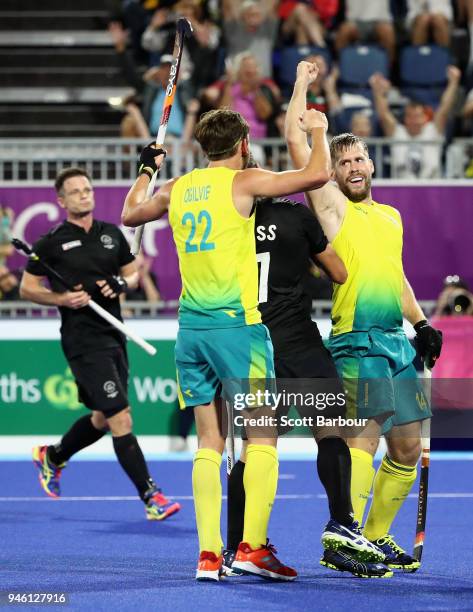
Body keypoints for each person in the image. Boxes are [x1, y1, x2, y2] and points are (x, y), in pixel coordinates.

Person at [122, 96, 332, 581]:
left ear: (201, 148)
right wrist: (318, 130)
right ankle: (253, 547)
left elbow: (131, 214)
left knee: (209, 441)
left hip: (190, 331)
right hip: (237, 328)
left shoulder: (179, 187)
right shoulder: (244, 181)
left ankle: (209, 555)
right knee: (263, 435)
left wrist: (146, 170)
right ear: (243, 143)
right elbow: (316, 176)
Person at [285, 61, 443, 572]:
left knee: (408, 444)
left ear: (371, 165)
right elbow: (294, 145)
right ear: (333, 171)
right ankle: (341, 537)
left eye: (359, 159)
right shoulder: (332, 206)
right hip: (356, 340)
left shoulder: (391, 217)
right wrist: (302, 90)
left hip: (395, 341)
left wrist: (420, 324)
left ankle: (372, 537)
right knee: (363, 439)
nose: (352, 167)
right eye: (342, 161)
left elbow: (395, 278)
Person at [222, 182, 392, 579]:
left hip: (254, 345)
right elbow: (338, 272)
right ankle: (341, 522)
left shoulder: (230, 223)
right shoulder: (296, 216)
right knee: (330, 430)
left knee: (254, 448)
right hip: (299, 343)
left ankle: (237, 547)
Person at [20, 167, 180, 522]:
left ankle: (54, 455)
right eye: (75, 191)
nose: (84, 194)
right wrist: (62, 299)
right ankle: (151, 496)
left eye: (87, 189)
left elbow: (132, 273)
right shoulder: (51, 243)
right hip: (82, 341)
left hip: (114, 336)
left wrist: (121, 285)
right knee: (120, 417)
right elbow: (27, 289)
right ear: (61, 200)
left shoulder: (111, 235)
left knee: (102, 418)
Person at [370, 67, 461, 179]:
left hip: (431, 188)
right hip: (402, 188)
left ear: (425, 118)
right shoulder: (398, 132)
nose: (414, 121)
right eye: (410, 116)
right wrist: (377, 90)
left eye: (417, 116)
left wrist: (453, 83)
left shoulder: (433, 130)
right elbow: (384, 115)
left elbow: (444, 110)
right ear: (405, 119)